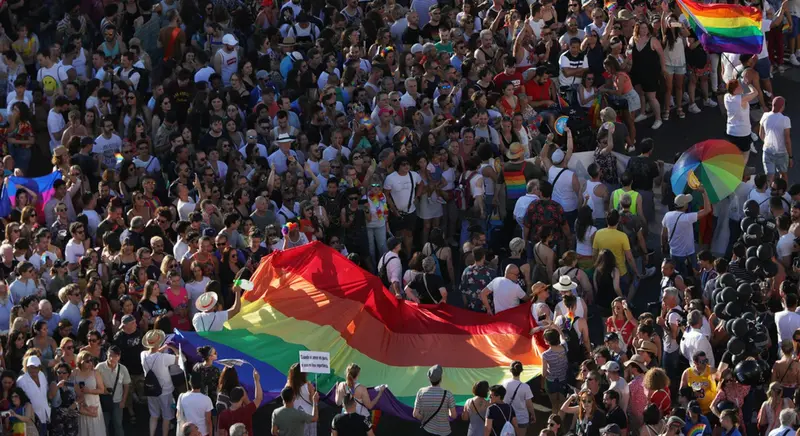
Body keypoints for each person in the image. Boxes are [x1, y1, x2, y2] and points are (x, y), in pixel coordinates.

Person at [661, 189, 711, 279]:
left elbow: (663, 234)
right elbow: (707, 210)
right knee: (692, 275)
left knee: (675, 276)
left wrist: (663, 246)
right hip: (688, 254)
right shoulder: (688, 217)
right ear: (684, 206)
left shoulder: (667, 215)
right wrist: (704, 192)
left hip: (673, 253)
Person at [140, 329, 181, 436]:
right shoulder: (164, 357)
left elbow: (153, 354)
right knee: (167, 417)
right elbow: (181, 359)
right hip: (165, 391)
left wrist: (160, 349)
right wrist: (172, 347)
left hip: (150, 389)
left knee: (153, 416)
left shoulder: (143, 354)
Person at [95, 345, 131, 436]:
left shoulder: (123, 369)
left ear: (119, 357)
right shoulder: (100, 367)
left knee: (118, 424)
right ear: (106, 354)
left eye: (115, 356)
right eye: (110, 355)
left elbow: (126, 386)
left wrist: (123, 401)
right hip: (104, 400)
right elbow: (94, 381)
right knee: (104, 425)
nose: (112, 358)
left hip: (117, 401)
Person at [412, 364, 457, 435]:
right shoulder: (448, 394)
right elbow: (453, 415)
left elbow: (415, 414)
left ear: (429, 378)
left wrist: (424, 418)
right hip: (444, 432)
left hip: (426, 430)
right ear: (441, 378)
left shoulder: (421, 392)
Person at [218, 369, 263, 436]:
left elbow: (221, 433)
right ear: (242, 398)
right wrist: (256, 380)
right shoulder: (247, 410)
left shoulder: (223, 415)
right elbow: (259, 398)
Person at [177, 372, 213, 436]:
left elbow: (178, 415)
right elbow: (208, 421)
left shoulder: (182, 397)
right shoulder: (206, 399)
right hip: (203, 432)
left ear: (189, 383)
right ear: (201, 383)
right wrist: (210, 434)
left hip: (189, 432)